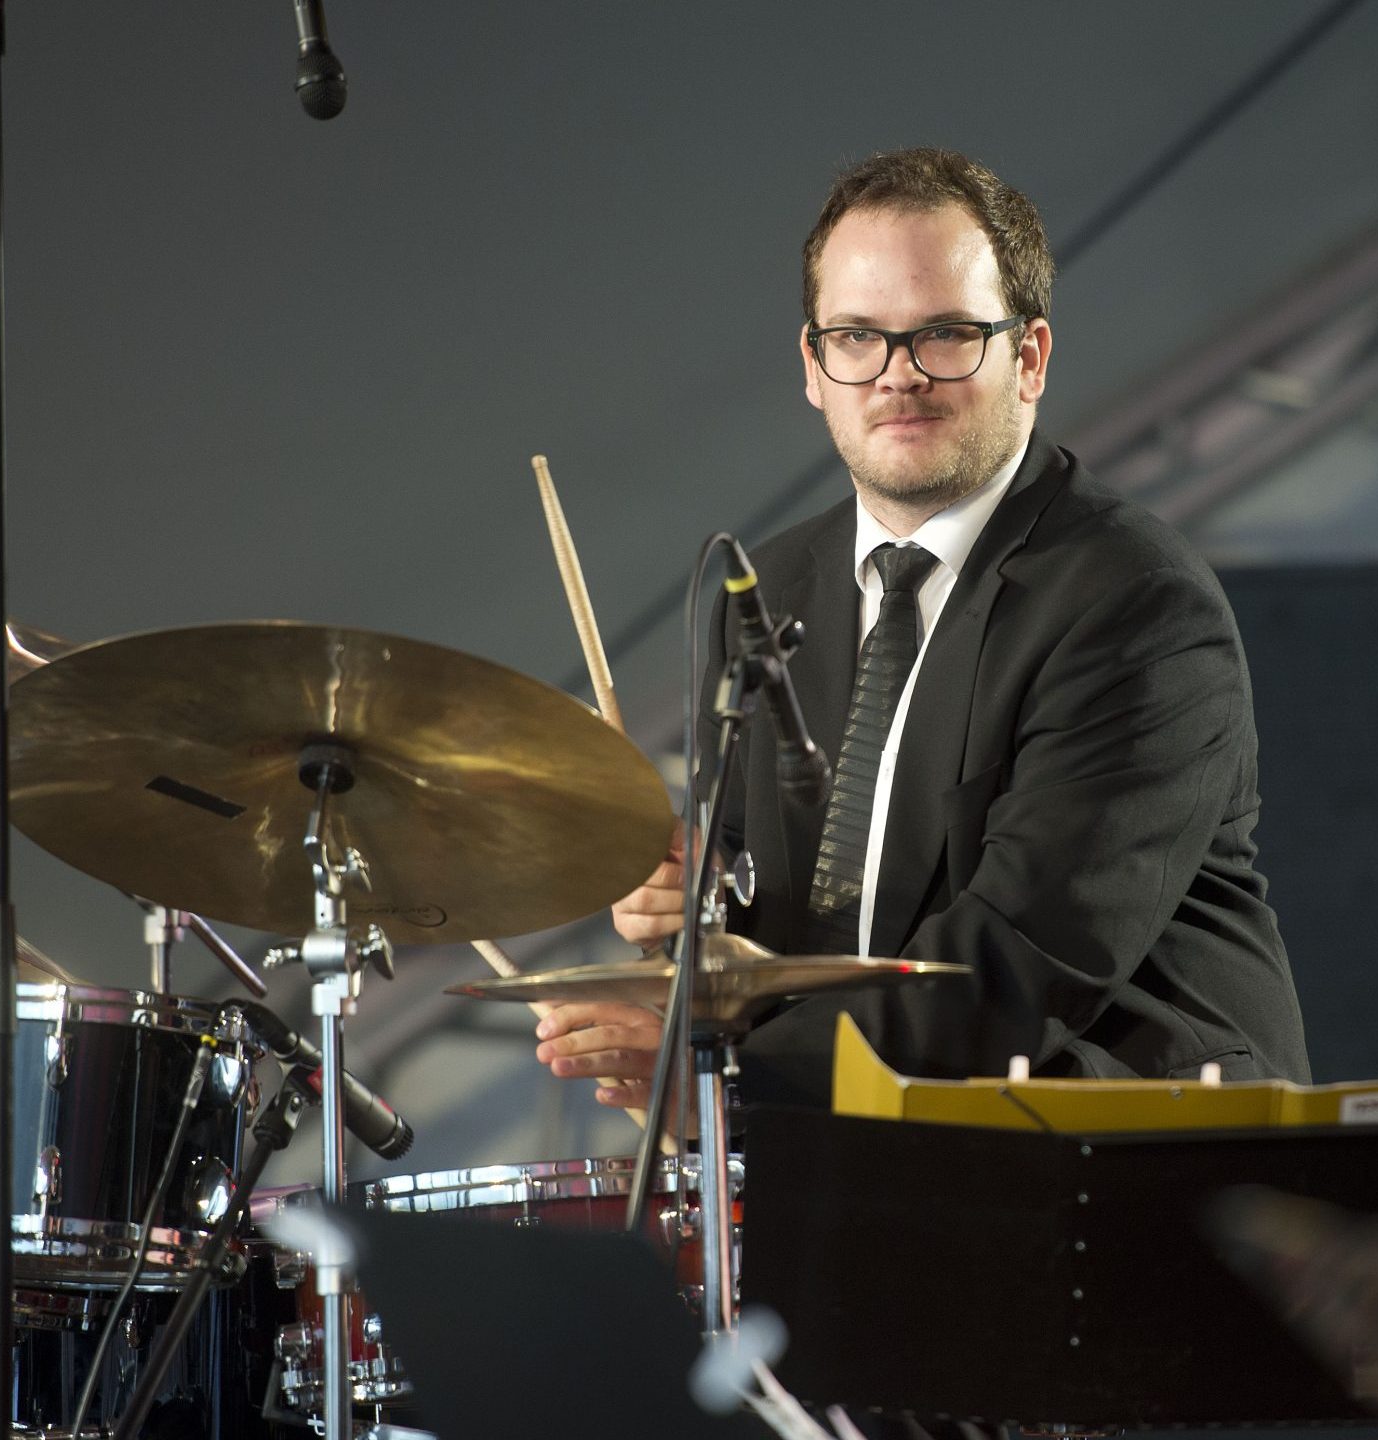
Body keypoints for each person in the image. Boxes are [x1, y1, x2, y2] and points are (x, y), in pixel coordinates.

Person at [532, 147, 1310, 1110]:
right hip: (877, 1151)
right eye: (858, 337)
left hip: (1126, 1149)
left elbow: (1025, 956)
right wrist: (699, 918)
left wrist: (738, 1085)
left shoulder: (1136, 604)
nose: (897, 376)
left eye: (944, 335)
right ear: (815, 368)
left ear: (1029, 358)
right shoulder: (764, 589)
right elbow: (807, 935)